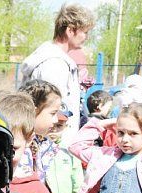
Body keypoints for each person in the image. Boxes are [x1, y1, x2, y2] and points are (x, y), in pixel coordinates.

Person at [20, 4, 95, 147]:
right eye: (84, 32)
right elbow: (50, 108)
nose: (86, 37)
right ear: (70, 30)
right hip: (51, 146)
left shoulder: (56, 59)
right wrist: (56, 142)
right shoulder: (55, 63)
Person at [16, 79, 64, 182]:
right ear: (33, 110)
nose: (56, 120)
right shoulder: (18, 146)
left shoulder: (43, 143)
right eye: (53, 113)